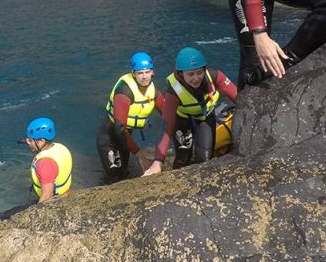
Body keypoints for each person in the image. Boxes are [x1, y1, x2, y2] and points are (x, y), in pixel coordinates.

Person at [143, 48, 237, 174]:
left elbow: (239, 97)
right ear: (181, 74)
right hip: (182, 119)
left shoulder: (214, 75)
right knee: (183, 158)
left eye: (199, 72)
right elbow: (167, 126)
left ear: (204, 69)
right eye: (191, 74)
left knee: (204, 158)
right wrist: (158, 162)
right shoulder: (174, 91)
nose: (196, 78)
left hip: (205, 116)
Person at [96, 52, 177, 183]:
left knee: (125, 172)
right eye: (140, 73)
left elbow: (169, 115)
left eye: (147, 72)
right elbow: (120, 129)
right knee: (115, 177)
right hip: (110, 138)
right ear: (133, 74)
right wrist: (139, 154)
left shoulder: (154, 93)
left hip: (125, 139)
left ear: (152, 73)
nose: (144, 77)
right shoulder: (124, 92)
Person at [21, 117, 72, 202]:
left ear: (41, 141)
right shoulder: (60, 147)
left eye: (30, 140)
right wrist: (28, 140)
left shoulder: (45, 164)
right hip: (67, 193)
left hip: (56, 201)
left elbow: (46, 195)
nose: (28, 142)